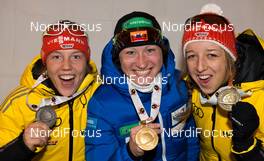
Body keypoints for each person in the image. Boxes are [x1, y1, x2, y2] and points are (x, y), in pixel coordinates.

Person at [85, 11, 199, 161]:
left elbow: (191, 142)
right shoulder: (102, 103)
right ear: (117, 59)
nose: (142, 63)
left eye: (150, 50)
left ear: (163, 53)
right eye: (131, 52)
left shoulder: (179, 85)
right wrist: (130, 152)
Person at [0, 20, 100, 161]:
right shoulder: (19, 102)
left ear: (87, 58)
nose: (66, 66)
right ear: (44, 58)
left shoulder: (101, 94)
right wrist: (23, 146)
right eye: (56, 57)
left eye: (76, 56)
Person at [182, 4, 264, 161]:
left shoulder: (260, 97)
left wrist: (247, 147)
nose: (199, 67)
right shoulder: (191, 88)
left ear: (230, 58)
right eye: (191, 56)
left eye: (212, 55)